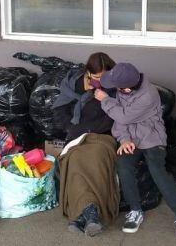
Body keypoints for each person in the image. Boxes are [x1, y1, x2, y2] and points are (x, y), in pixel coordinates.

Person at [94, 63, 176, 240]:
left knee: (158, 172)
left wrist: (105, 100)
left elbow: (123, 116)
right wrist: (124, 139)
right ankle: (135, 210)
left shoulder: (148, 95)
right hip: (130, 140)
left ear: (126, 86)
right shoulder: (123, 89)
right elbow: (121, 122)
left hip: (151, 138)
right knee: (123, 167)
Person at [53, 52, 119, 237]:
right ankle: (91, 214)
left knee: (95, 158)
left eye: (105, 76)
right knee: (73, 160)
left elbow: (115, 118)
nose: (101, 80)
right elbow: (59, 110)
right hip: (75, 137)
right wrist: (70, 127)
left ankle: (81, 215)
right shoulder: (73, 84)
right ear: (88, 73)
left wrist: (105, 99)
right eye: (97, 76)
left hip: (102, 137)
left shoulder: (114, 89)